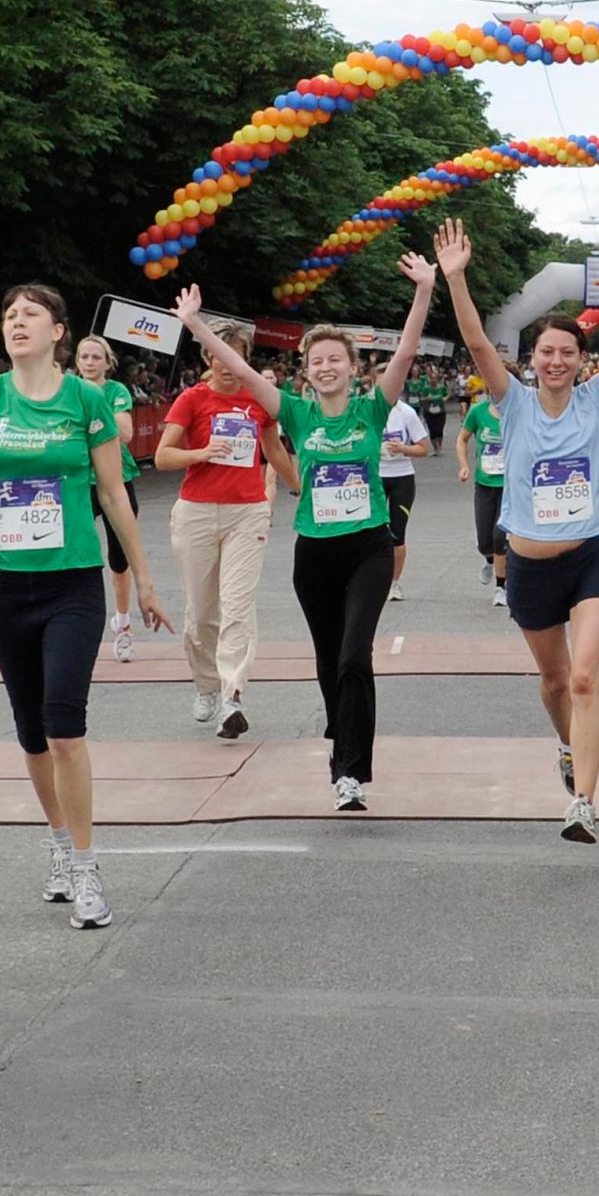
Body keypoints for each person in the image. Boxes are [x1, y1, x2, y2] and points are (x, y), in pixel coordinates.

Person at [0, 285, 172, 930]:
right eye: (8, 316)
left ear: (59, 331)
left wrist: (145, 579)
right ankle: (57, 844)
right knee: (29, 729)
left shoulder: (86, 401)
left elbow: (112, 494)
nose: (16, 323)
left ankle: (85, 864)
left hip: (73, 583)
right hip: (4, 586)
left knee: (63, 724)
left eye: (30, 315)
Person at [174, 245, 438, 811]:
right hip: (314, 554)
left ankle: (350, 772)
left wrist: (423, 290)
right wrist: (194, 323)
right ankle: (340, 733)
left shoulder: (373, 408)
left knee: (353, 657)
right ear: (307, 369)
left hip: (368, 546)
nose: (325, 367)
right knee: (327, 660)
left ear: (352, 366)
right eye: (316, 360)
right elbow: (242, 369)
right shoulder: (295, 411)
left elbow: (408, 350)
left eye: (335, 359)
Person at [437, 216, 599, 844]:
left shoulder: (594, 398)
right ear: (532, 361)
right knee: (555, 681)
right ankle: (567, 745)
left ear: (580, 361)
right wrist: (456, 280)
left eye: (568, 352)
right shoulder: (512, 402)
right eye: (547, 352)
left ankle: (583, 804)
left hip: (590, 556)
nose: (557, 361)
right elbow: (479, 341)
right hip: (530, 565)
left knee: (586, 676)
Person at [155, 322, 297, 739]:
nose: (229, 364)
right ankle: (206, 686)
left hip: (247, 512)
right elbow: (163, 457)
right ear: (209, 358)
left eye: (237, 355)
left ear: (246, 359)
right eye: (221, 354)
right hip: (196, 512)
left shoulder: (258, 400)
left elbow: (274, 449)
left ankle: (233, 695)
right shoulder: (192, 399)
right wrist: (202, 452)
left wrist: (298, 487)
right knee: (201, 614)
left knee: (237, 606)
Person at [72, 336, 144, 661]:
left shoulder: (116, 392)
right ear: (76, 361)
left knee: (119, 555)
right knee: (77, 552)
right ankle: (73, 621)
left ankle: (124, 624)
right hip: (78, 479)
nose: (89, 362)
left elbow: (126, 433)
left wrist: (93, 410)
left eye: (95, 357)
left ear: (106, 362)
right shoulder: (66, 390)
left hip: (116, 478)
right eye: (84, 356)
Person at [457, 389, 508, 608]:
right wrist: (464, 466)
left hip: (510, 486)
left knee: (500, 538)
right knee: (484, 540)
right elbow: (462, 439)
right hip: (485, 483)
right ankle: (489, 560)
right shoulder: (478, 411)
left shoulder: (517, 412)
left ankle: (501, 587)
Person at [380, 394, 430, 601]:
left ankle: (394, 583)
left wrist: (402, 449)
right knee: (369, 533)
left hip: (402, 477)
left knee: (397, 535)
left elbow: (423, 448)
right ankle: (369, 581)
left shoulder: (407, 413)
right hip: (375, 478)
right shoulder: (367, 410)